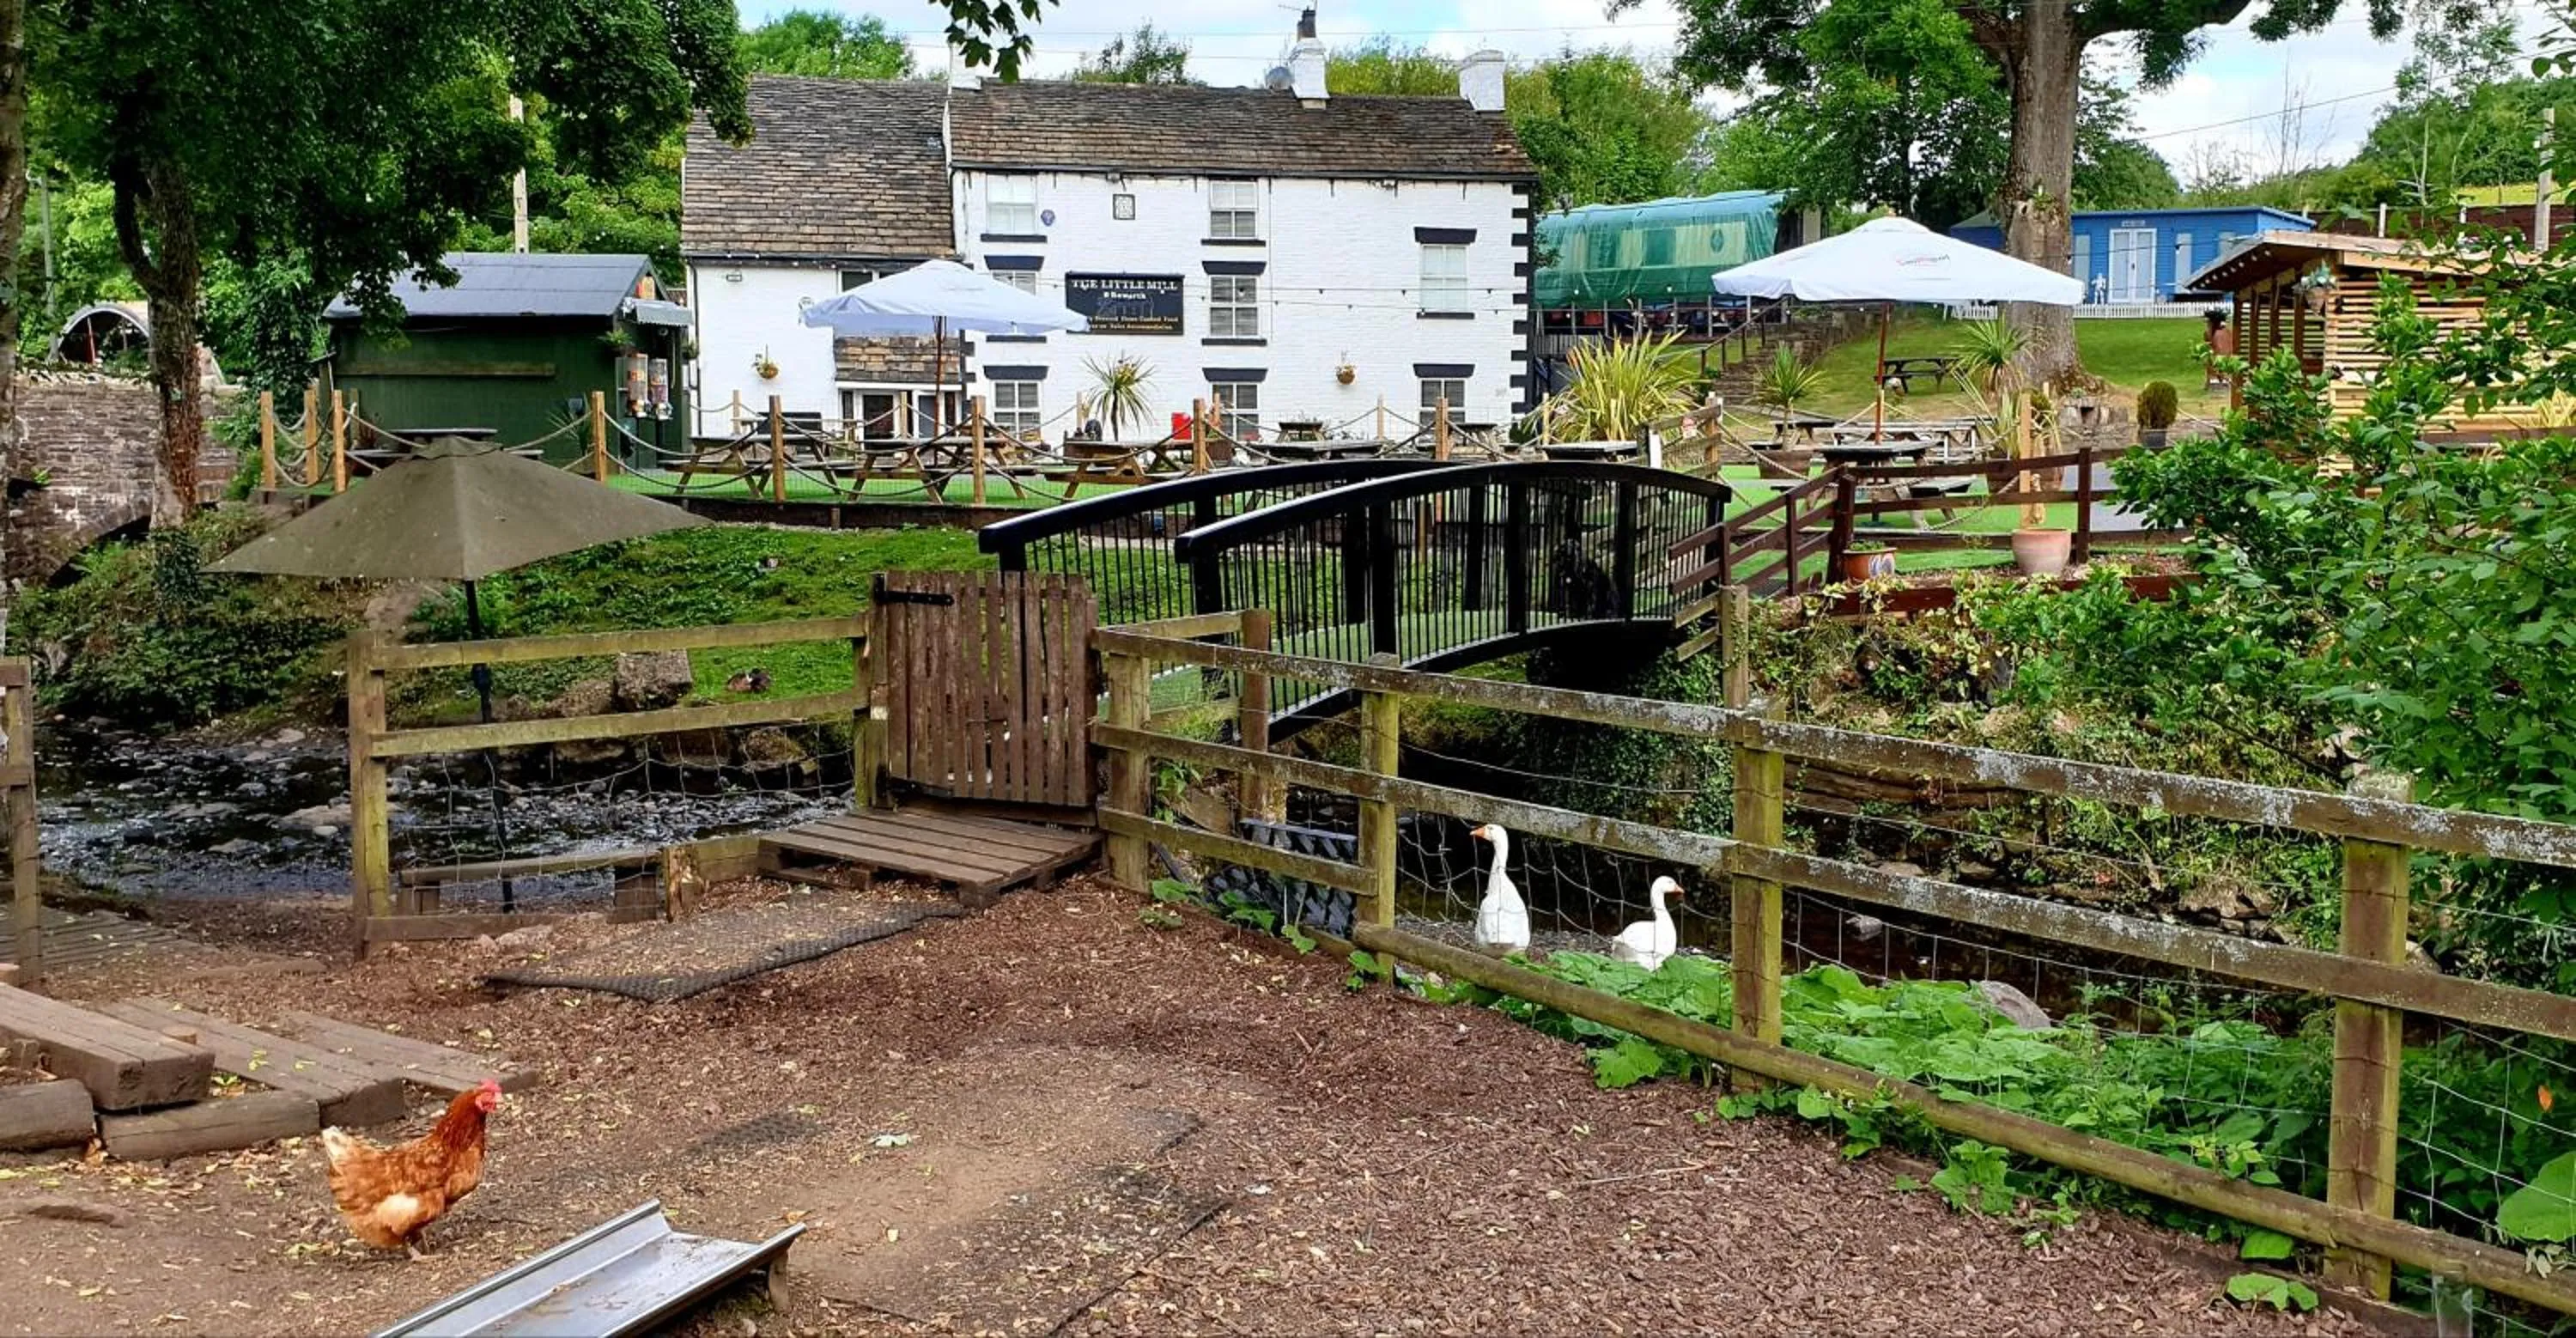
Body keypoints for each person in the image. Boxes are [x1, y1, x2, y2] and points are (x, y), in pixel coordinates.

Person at [2203, 308, 2235, 390]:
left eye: (2208, 323)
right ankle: (2218, 380)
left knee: (2209, 361)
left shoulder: (2217, 333)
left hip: (2222, 357)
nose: (2207, 325)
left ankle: (2218, 379)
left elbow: (2218, 348)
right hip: (2225, 356)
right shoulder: (2226, 331)